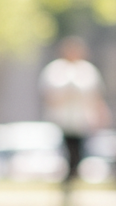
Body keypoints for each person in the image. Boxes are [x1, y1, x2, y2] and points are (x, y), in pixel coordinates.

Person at [39, 37, 109, 184]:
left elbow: (96, 95)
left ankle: (72, 175)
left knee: (79, 151)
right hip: (60, 120)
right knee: (63, 151)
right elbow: (48, 96)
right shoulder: (55, 70)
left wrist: (101, 114)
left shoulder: (88, 71)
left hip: (82, 120)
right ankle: (65, 177)